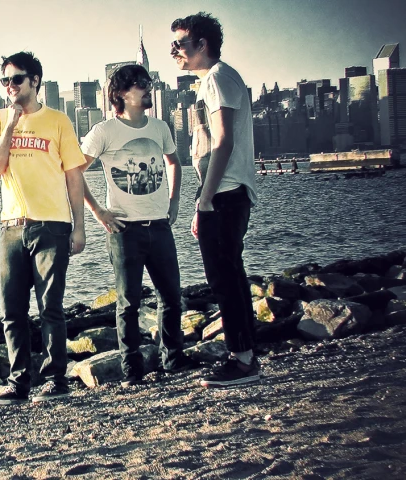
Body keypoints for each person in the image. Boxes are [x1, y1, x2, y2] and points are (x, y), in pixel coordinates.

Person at [80, 64, 205, 388]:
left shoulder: (160, 127)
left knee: (171, 297)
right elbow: (73, 171)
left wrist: (175, 201)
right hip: (124, 231)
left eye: (148, 83)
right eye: (140, 85)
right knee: (128, 303)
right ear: (121, 94)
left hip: (160, 226)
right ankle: (131, 370)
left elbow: (174, 162)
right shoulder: (104, 131)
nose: (147, 89)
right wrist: (98, 211)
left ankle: (174, 359)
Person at [0, 51, 86, 405]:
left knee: (50, 307)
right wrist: (11, 124)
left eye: (17, 80)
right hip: (11, 228)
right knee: (12, 310)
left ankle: (57, 378)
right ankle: (19, 383)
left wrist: (79, 227)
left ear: (35, 81)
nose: (10, 87)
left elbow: (74, 176)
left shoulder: (58, 121)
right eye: (5, 81)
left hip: (53, 226)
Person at [171, 12, 260, 387]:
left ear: (202, 45)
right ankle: (245, 354)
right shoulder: (215, 79)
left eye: (180, 43)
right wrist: (200, 200)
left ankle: (241, 361)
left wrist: (204, 199)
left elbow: (223, 143)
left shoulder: (218, 78)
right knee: (230, 273)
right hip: (222, 193)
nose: (174, 51)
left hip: (223, 194)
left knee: (223, 277)